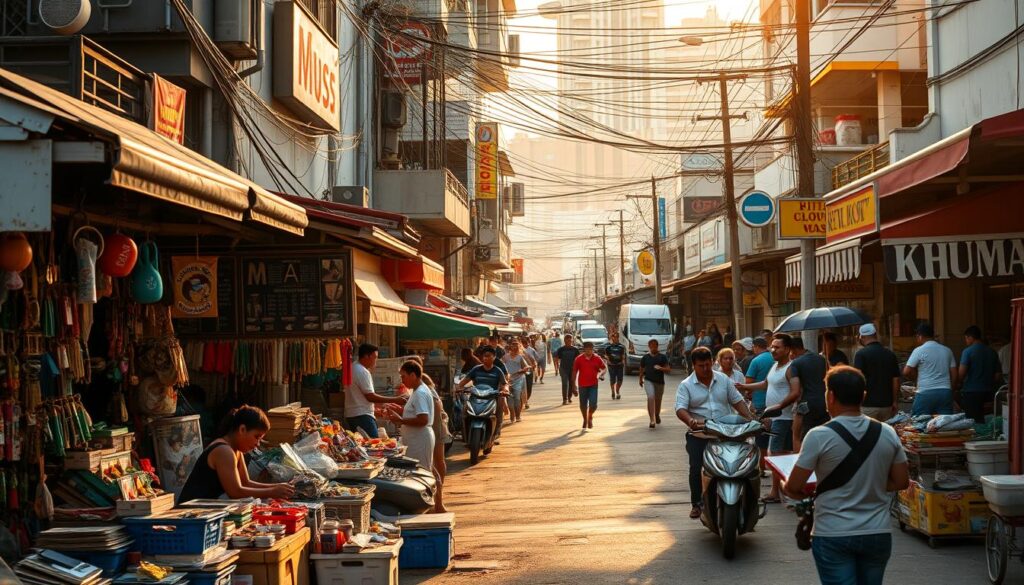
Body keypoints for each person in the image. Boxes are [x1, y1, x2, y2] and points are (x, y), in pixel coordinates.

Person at [782, 367, 910, 585]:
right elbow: (901, 481)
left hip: (833, 533)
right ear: (863, 396)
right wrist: (871, 484)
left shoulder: (818, 436)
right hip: (877, 532)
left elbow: (794, 487)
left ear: (830, 396)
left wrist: (786, 486)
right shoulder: (887, 432)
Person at [675, 346, 758, 519]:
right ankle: (696, 503)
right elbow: (680, 409)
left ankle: (750, 504)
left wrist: (751, 418)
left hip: (726, 434)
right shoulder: (686, 386)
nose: (705, 369)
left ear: (712, 362)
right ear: (693, 366)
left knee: (744, 466)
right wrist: (690, 421)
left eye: (707, 365)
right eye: (700, 366)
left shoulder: (724, 380)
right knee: (696, 468)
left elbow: (737, 401)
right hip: (700, 434)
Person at [178, 406, 296, 502]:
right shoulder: (224, 451)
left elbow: (246, 483)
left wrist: (278, 488)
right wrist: (272, 492)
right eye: (257, 437)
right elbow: (235, 492)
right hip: (189, 513)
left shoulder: (236, 450)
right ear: (242, 430)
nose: (257, 444)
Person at [737, 333, 795, 503]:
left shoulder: (790, 368)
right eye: (772, 346)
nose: (773, 350)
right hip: (774, 418)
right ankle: (782, 490)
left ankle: (776, 492)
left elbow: (795, 392)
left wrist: (780, 407)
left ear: (787, 349)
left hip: (783, 418)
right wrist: (743, 386)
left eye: (777, 347)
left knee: (776, 455)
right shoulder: (775, 366)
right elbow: (765, 384)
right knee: (780, 455)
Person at [344, 343, 408, 438]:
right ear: (366, 356)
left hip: (354, 414)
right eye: (375, 357)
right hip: (362, 416)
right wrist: (395, 399)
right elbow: (370, 396)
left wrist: (379, 407)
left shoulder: (353, 367)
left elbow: (361, 397)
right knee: (372, 445)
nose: (375, 361)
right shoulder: (362, 371)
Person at [384, 361, 435, 472]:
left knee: (422, 472)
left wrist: (400, 420)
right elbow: (415, 413)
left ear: (413, 375)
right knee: (417, 471)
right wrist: (400, 411)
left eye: (404, 376)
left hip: (420, 439)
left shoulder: (420, 393)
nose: (402, 380)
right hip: (415, 439)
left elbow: (423, 420)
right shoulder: (416, 391)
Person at [787, 336, 830, 451]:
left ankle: (799, 461)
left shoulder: (796, 363)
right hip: (824, 403)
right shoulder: (822, 359)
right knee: (823, 436)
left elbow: (796, 391)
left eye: (790, 352)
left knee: (797, 435)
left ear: (794, 350)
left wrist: (780, 405)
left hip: (805, 404)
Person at [904, 323, 957, 415]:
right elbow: (955, 374)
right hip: (945, 392)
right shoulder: (947, 350)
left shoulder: (918, 350)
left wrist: (915, 378)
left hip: (925, 392)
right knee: (945, 424)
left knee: (919, 424)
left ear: (919, 336)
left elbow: (906, 371)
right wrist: (950, 390)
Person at [457, 346, 510, 438]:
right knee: (464, 411)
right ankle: (465, 435)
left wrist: (505, 390)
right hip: (476, 396)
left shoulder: (498, 370)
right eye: (484, 356)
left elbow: (505, 383)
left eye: (488, 356)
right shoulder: (476, 369)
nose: (485, 358)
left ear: (494, 357)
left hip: (492, 396)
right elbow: (464, 381)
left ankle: (496, 433)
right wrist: (458, 388)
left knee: (500, 406)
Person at [853, 323, 901, 421]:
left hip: (867, 405)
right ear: (875, 335)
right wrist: (895, 401)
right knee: (885, 434)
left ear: (861, 337)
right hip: (887, 406)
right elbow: (896, 380)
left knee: (868, 435)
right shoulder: (890, 354)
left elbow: (857, 379)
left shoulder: (861, 354)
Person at [957, 325, 1003, 423]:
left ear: (970, 337)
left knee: (972, 421)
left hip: (971, 392)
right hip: (989, 392)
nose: (966, 341)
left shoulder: (967, 352)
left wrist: (959, 384)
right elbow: (997, 375)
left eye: (966, 338)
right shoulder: (992, 352)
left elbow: (961, 373)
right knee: (987, 420)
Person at [744, 337, 774, 474]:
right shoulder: (775, 358)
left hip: (761, 403)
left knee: (761, 437)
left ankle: (762, 468)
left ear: (756, 347)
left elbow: (749, 381)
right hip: (778, 403)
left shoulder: (756, 361)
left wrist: (748, 394)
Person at [572, 342, 607, 430]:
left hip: (593, 385)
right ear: (584, 349)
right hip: (582, 385)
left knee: (593, 404)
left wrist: (601, 374)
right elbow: (574, 372)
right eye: (587, 349)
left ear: (593, 349)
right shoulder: (578, 359)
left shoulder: (597, 358)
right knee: (583, 404)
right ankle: (585, 419)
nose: (589, 351)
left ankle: (590, 415)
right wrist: (573, 385)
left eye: (591, 349)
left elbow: (604, 368)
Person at [639, 339, 671, 429]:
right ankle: (652, 420)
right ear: (649, 346)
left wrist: (661, 368)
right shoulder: (645, 357)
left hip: (660, 382)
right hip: (648, 380)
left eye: (655, 345)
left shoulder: (662, 357)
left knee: (658, 400)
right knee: (651, 397)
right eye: (651, 345)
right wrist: (640, 379)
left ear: (657, 346)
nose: (653, 347)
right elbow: (641, 368)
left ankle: (657, 414)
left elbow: (668, 369)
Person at [502, 341, 531, 423]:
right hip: (508, 381)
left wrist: (523, 370)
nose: (514, 348)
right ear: (510, 347)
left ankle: (517, 416)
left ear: (518, 348)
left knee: (517, 399)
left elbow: (526, 367)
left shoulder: (520, 357)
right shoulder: (505, 357)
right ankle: (512, 415)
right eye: (513, 346)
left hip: (518, 380)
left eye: (516, 347)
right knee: (509, 400)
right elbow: (501, 366)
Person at [554, 334, 581, 405]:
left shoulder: (575, 350)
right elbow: (557, 359)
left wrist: (579, 369)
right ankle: (564, 399)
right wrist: (557, 368)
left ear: (572, 340)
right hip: (563, 369)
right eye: (567, 340)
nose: (569, 341)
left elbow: (578, 360)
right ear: (564, 340)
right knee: (565, 383)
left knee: (571, 383)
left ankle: (569, 397)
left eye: (570, 340)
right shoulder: (561, 349)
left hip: (572, 369)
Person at [604, 330, 627, 400]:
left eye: (617, 337)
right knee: (612, 380)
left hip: (620, 365)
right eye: (614, 337)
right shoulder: (608, 347)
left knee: (620, 380)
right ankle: (613, 391)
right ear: (611, 338)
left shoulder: (622, 347)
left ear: (618, 338)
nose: (615, 338)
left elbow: (623, 356)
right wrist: (608, 361)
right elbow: (606, 356)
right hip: (611, 366)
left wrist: (623, 361)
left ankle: (617, 390)